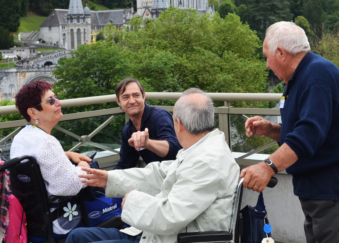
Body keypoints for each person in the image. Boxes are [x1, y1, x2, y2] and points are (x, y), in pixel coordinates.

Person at [241, 22, 339, 243]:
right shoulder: (299, 77)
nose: (266, 64)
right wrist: (272, 130)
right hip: (317, 189)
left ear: (281, 53)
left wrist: (267, 167)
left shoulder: (318, 75)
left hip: (334, 188)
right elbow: (311, 131)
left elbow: (309, 134)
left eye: (267, 56)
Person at [66, 88, 240, 243]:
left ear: (178, 124)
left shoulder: (206, 162)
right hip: (154, 233)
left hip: (172, 237)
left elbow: (170, 216)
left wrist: (132, 201)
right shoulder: (199, 150)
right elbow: (159, 173)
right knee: (77, 236)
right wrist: (109, 178)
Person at [11, 81, 93, 235]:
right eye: (51, 101)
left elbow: (38, 163)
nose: (58, 102)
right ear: (33, 113)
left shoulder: (21, 137)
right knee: (118, 206)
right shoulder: (47, 143)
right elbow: (69, 186)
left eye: (56, 97)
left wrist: (67, 154)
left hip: (34, 222)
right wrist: (84, 165)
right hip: (60, 220)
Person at [113, 78, 181, 170]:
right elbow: (126, 164)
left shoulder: (159, 117)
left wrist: (147, 143)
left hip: (180, 174)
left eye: (136, 95)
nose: (132, 101)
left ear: (143, 96)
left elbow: (175, 149)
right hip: (159, 178)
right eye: (125, 97)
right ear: (118, 101)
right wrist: (105, 178)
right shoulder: (128, 130)